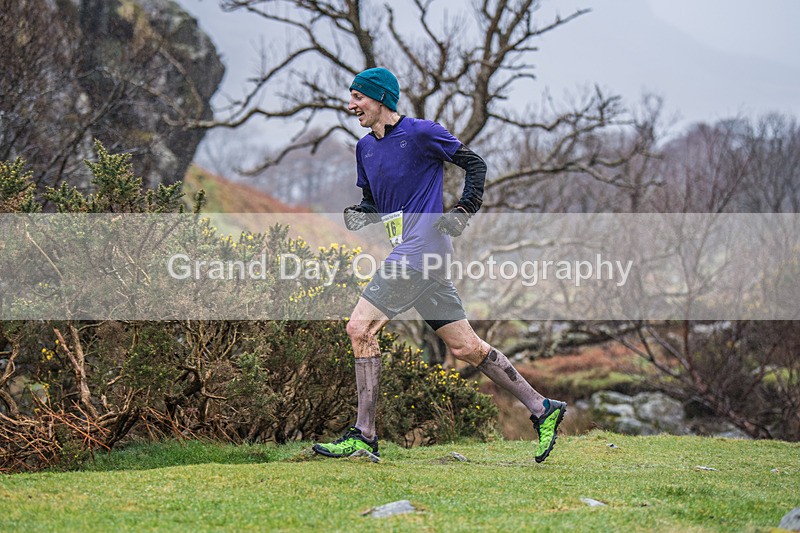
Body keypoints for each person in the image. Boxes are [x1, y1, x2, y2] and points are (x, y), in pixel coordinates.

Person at [312, 67, 566, 463]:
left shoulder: (420, 133)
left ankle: (363, 436)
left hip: (423, 248)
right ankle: (542, 407)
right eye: (351, 97)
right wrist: (363, 213)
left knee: (359, 328)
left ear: (381, 99)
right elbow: (377, 202)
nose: (351, 105)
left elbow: (475, 165)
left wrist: (464, 210)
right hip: (417, 254)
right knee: (466, 347)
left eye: (358, 97)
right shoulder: (365, 148)